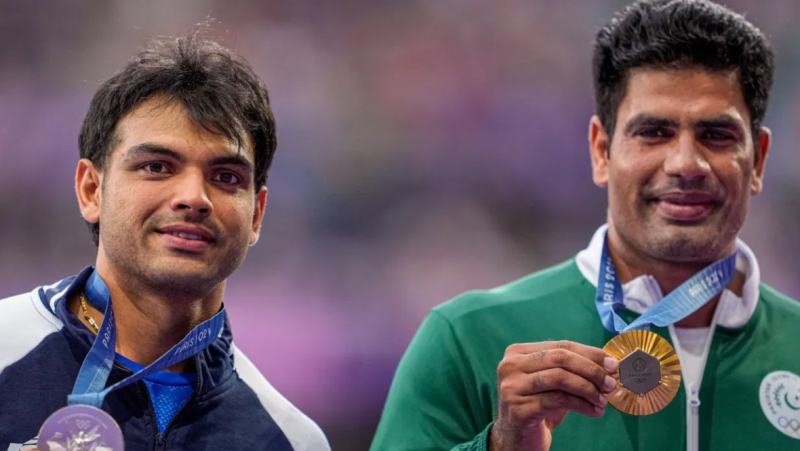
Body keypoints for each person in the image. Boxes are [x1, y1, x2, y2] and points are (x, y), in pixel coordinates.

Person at [370, 1, 800, 450]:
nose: (686, 163)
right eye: (653, 133)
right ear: (600, 151)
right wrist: (500, 445)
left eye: (717, 136)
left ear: (758, 160)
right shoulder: (468, 339)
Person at [0, 30, 330, 451]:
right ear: (91, 190)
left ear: (256, 215)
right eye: (157, 167)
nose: (194, 197)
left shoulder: (291, 441)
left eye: (226, 177)